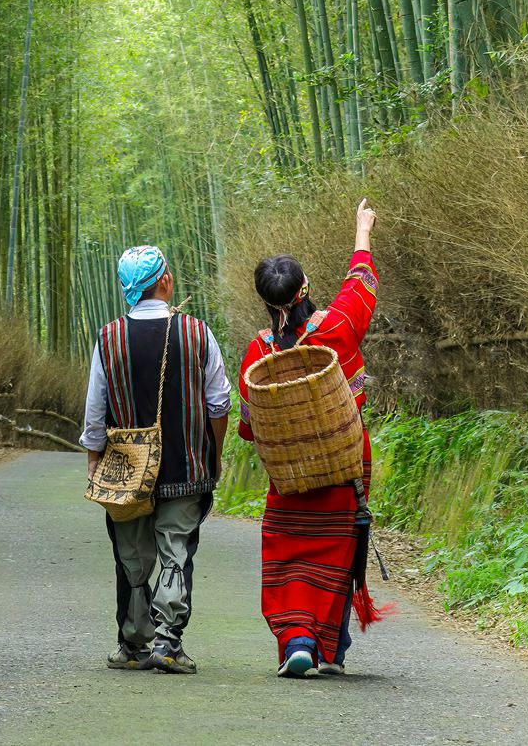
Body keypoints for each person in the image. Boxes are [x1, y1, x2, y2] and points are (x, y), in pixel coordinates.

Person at [237, 198, 383, 679]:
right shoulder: (335, 331)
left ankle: (297, 640)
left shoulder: (259, 357)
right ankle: (331, 649)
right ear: (305, 290)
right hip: (343, 469)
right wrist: (363, 230)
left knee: (289, 554)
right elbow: (360, 287)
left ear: (267, 302)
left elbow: (247, 427)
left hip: (290, 479)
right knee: (342, 546)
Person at [82, 245, 231, 674]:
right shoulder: (197, 333)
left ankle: (132, 645)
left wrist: (94, 461)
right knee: (174, 549)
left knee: (131, 554)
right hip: (186, 465)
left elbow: (96, 411)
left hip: (126, 468)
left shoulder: (108, 339)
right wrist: (212, 455)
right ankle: (168, 643)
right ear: (164, 281)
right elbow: (219, 404)